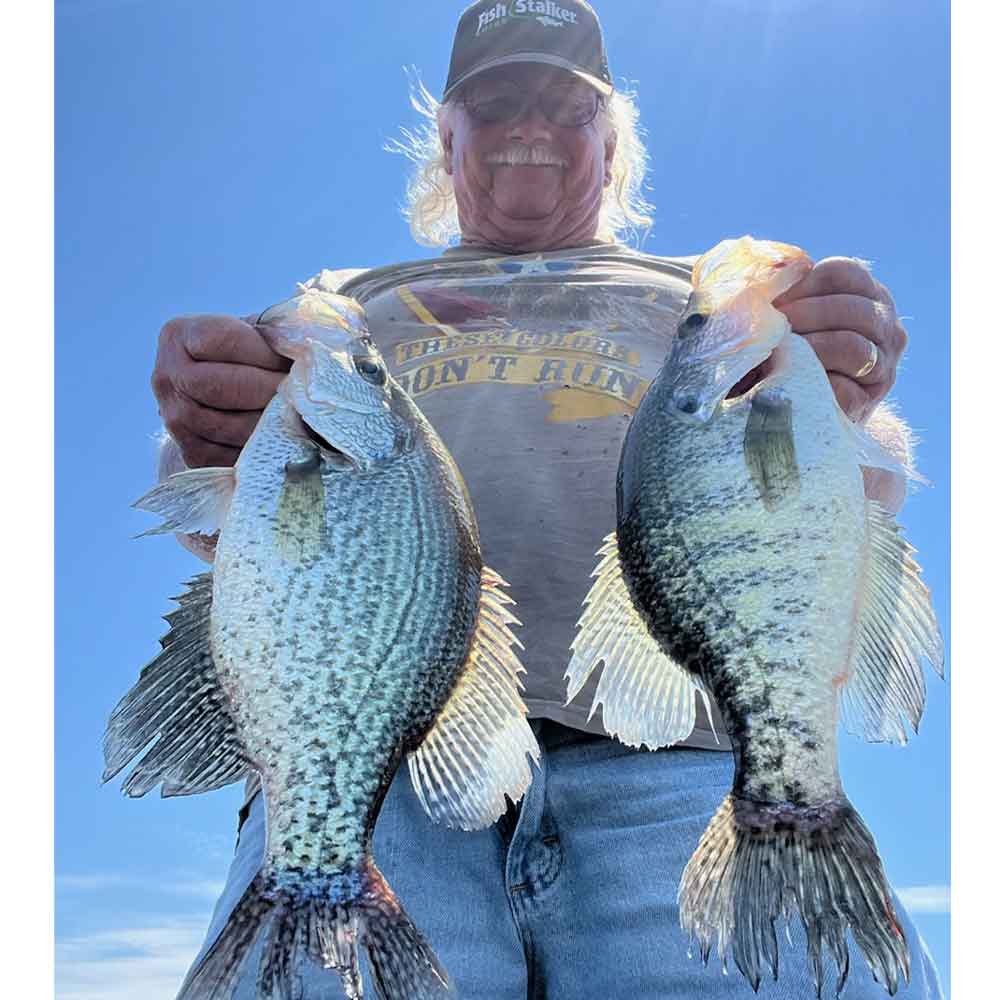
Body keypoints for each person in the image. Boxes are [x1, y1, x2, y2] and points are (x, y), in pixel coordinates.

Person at [152, 2, 941, 997]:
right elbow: (232, 538)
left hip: (683, 759)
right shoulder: (352, 305)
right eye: (496, 102)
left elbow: (862, 492)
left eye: (565, 107)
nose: (529, 125)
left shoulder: (696, 299)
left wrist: (849, 400)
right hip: (383, 768)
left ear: (614, 143)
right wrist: (210, 429)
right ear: (445, 138)